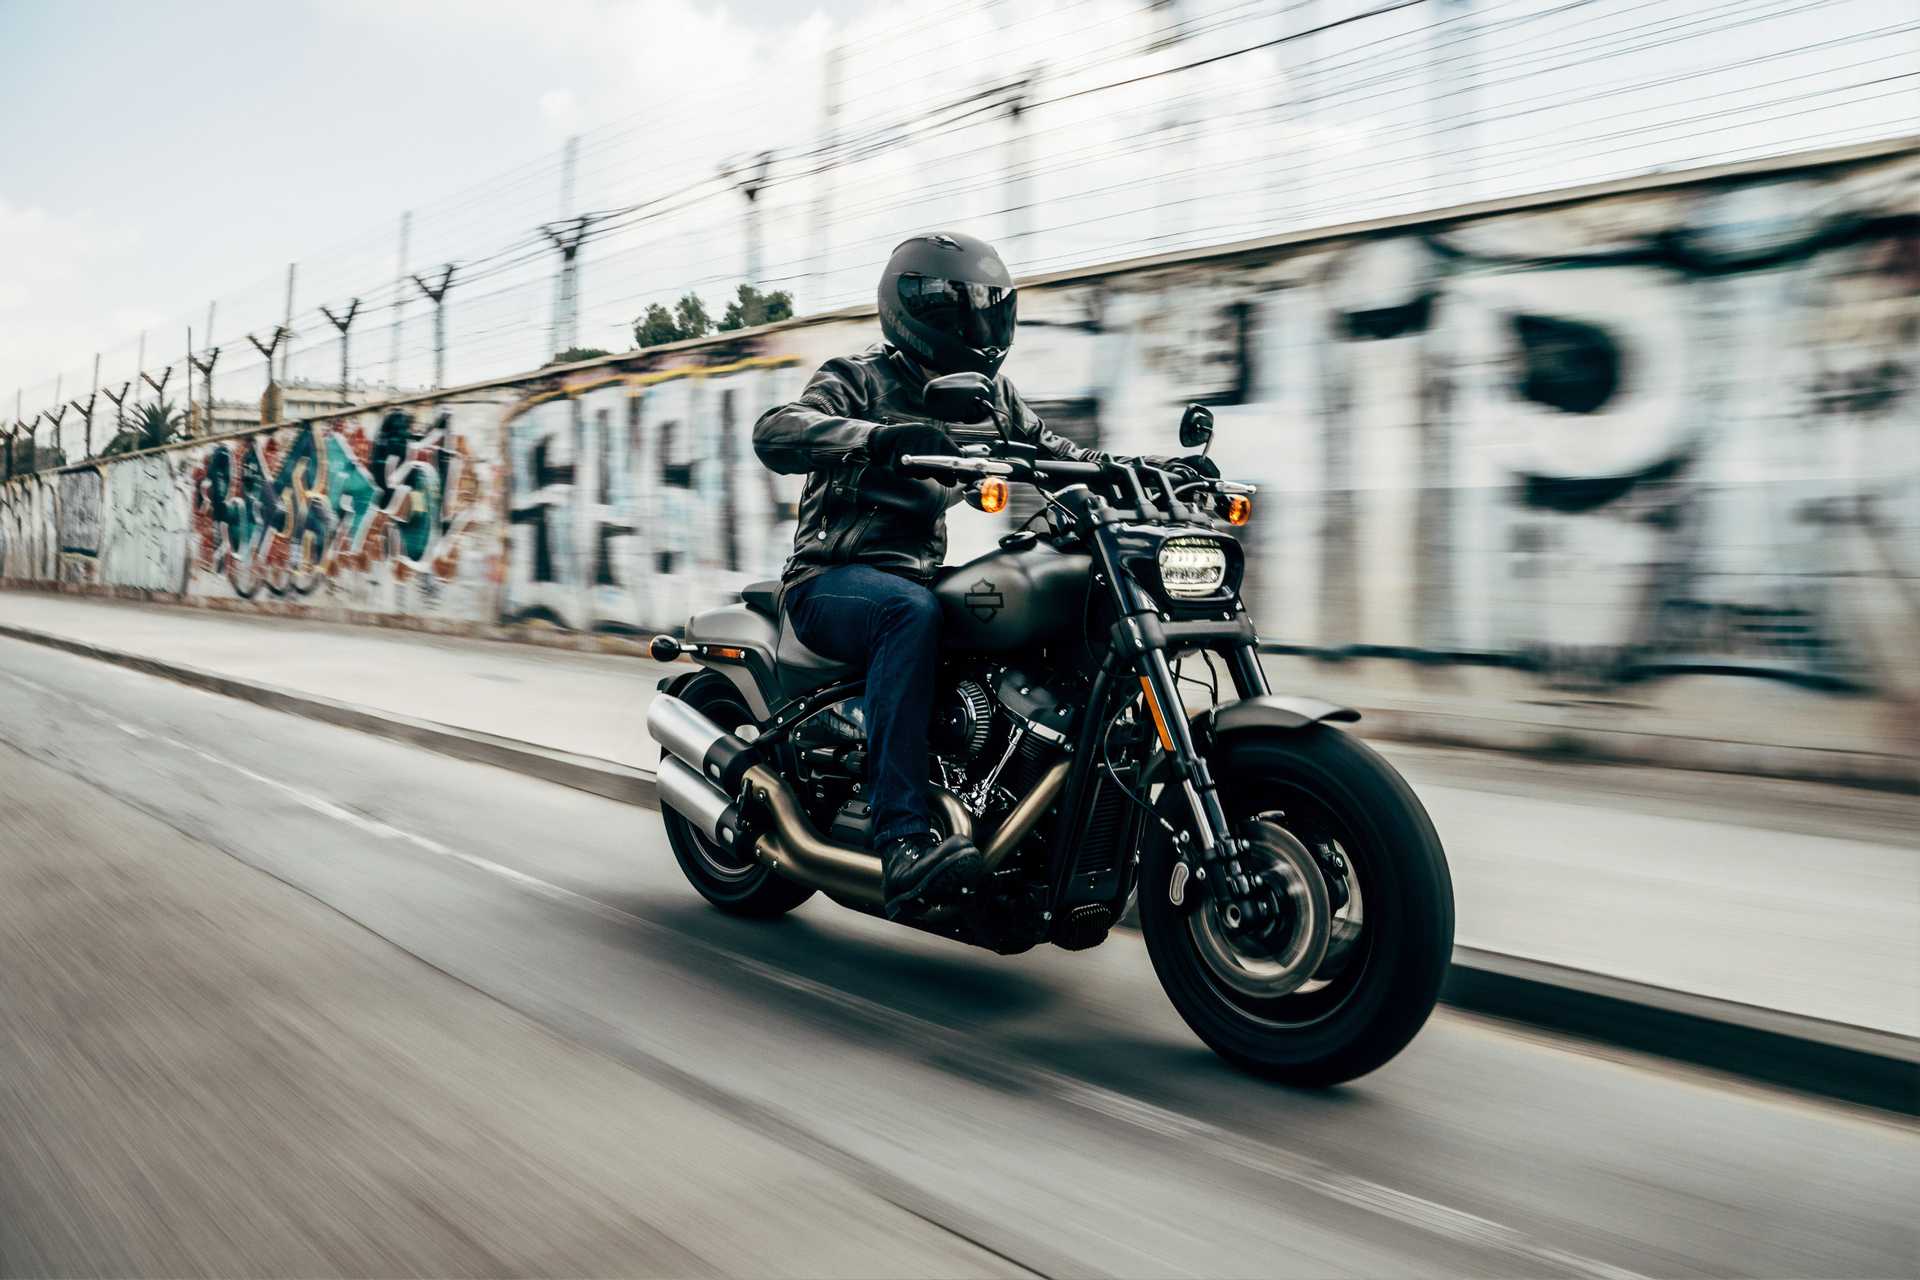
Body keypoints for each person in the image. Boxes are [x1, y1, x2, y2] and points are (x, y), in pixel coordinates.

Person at [752, 231, 1213, 921]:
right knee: (909, 614)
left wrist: (1135, 470)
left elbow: (1056, 450)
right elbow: (778, 429)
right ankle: (902, 838)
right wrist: (875, 439)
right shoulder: (859, 378)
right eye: (962, 310)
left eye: (989, 308)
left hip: (914, 577)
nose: (978, 324)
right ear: (918, 312)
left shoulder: (987, 397)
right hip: (833, 579)